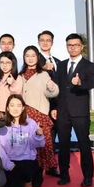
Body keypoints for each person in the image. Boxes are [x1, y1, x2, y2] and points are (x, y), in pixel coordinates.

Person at [53, 33, 94, 187]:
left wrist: (79, 83)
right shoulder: (61, 65)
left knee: (84, 145)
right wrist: (54, 107)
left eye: (76, 45)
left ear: (81, 47)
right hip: (63, 112)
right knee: (63, 145)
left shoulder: (89, 65)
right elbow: (57, 88)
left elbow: (90, 84)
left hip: (80, 113)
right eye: (69, 45)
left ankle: (88, 177)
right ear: (66, 47)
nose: (72, 48)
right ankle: (64, 175)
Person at [19, 46, 59, 178]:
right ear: (24, 58)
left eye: (33, 56)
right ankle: (34, 169)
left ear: (37, 57)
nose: (30, 58)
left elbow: (51, 92)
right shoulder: (20, 75)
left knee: (45, 142)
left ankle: (50, 167)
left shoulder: (43, 74)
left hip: (39, 112)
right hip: (25, 114)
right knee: (29, 143)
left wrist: (52, 88)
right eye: (27, 56)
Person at [0, 95, 45, 187]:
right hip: (11, 162)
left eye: (18, 105)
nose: (15, 109)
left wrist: (38, 135)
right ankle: (25, 180)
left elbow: (39, 144)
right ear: (7, 108)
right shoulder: (2, 125)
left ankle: (30, 180)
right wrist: (9, 165)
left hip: (27, 160)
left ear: (23, 108)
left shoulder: (31, 123)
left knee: (28, 171)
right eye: (12, 105)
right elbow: (1, 150)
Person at [0, 51, 24, 120]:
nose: (4, 65)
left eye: (8, 62)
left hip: (10, 115)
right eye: (2, 62)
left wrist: (13, 84)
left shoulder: (17, 78)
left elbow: (17, 96)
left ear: (13, 63)